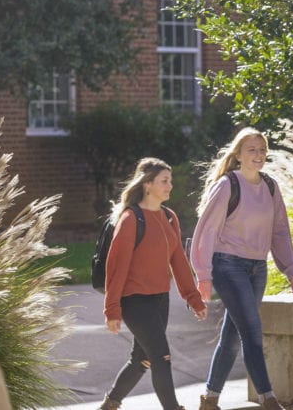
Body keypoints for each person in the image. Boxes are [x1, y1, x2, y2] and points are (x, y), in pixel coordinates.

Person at [190, 128, 293, 410]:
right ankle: (269, 398)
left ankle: (210, 398)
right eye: (252, 150)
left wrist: (290, 267)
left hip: (257, 268)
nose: (258, 155)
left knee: (231, 336)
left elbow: (280, 231)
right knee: (252, 331)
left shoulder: (270, 186)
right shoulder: (228, 185)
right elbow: (206, 232)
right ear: (238, 155)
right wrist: (203, 275)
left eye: (262, 150)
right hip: (228, 265)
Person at [99, 157, 207, 410]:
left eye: (170, 180)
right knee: (161, 357)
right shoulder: (130, 219)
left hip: (160, 300)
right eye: (164, 181)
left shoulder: (169, 217)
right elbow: (116, 268)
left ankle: (109, 405)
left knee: (142, 358)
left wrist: (193, 298)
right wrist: (112, 309)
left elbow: (178, 260)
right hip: (135, 300)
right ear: (147, 185)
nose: (170, 185)